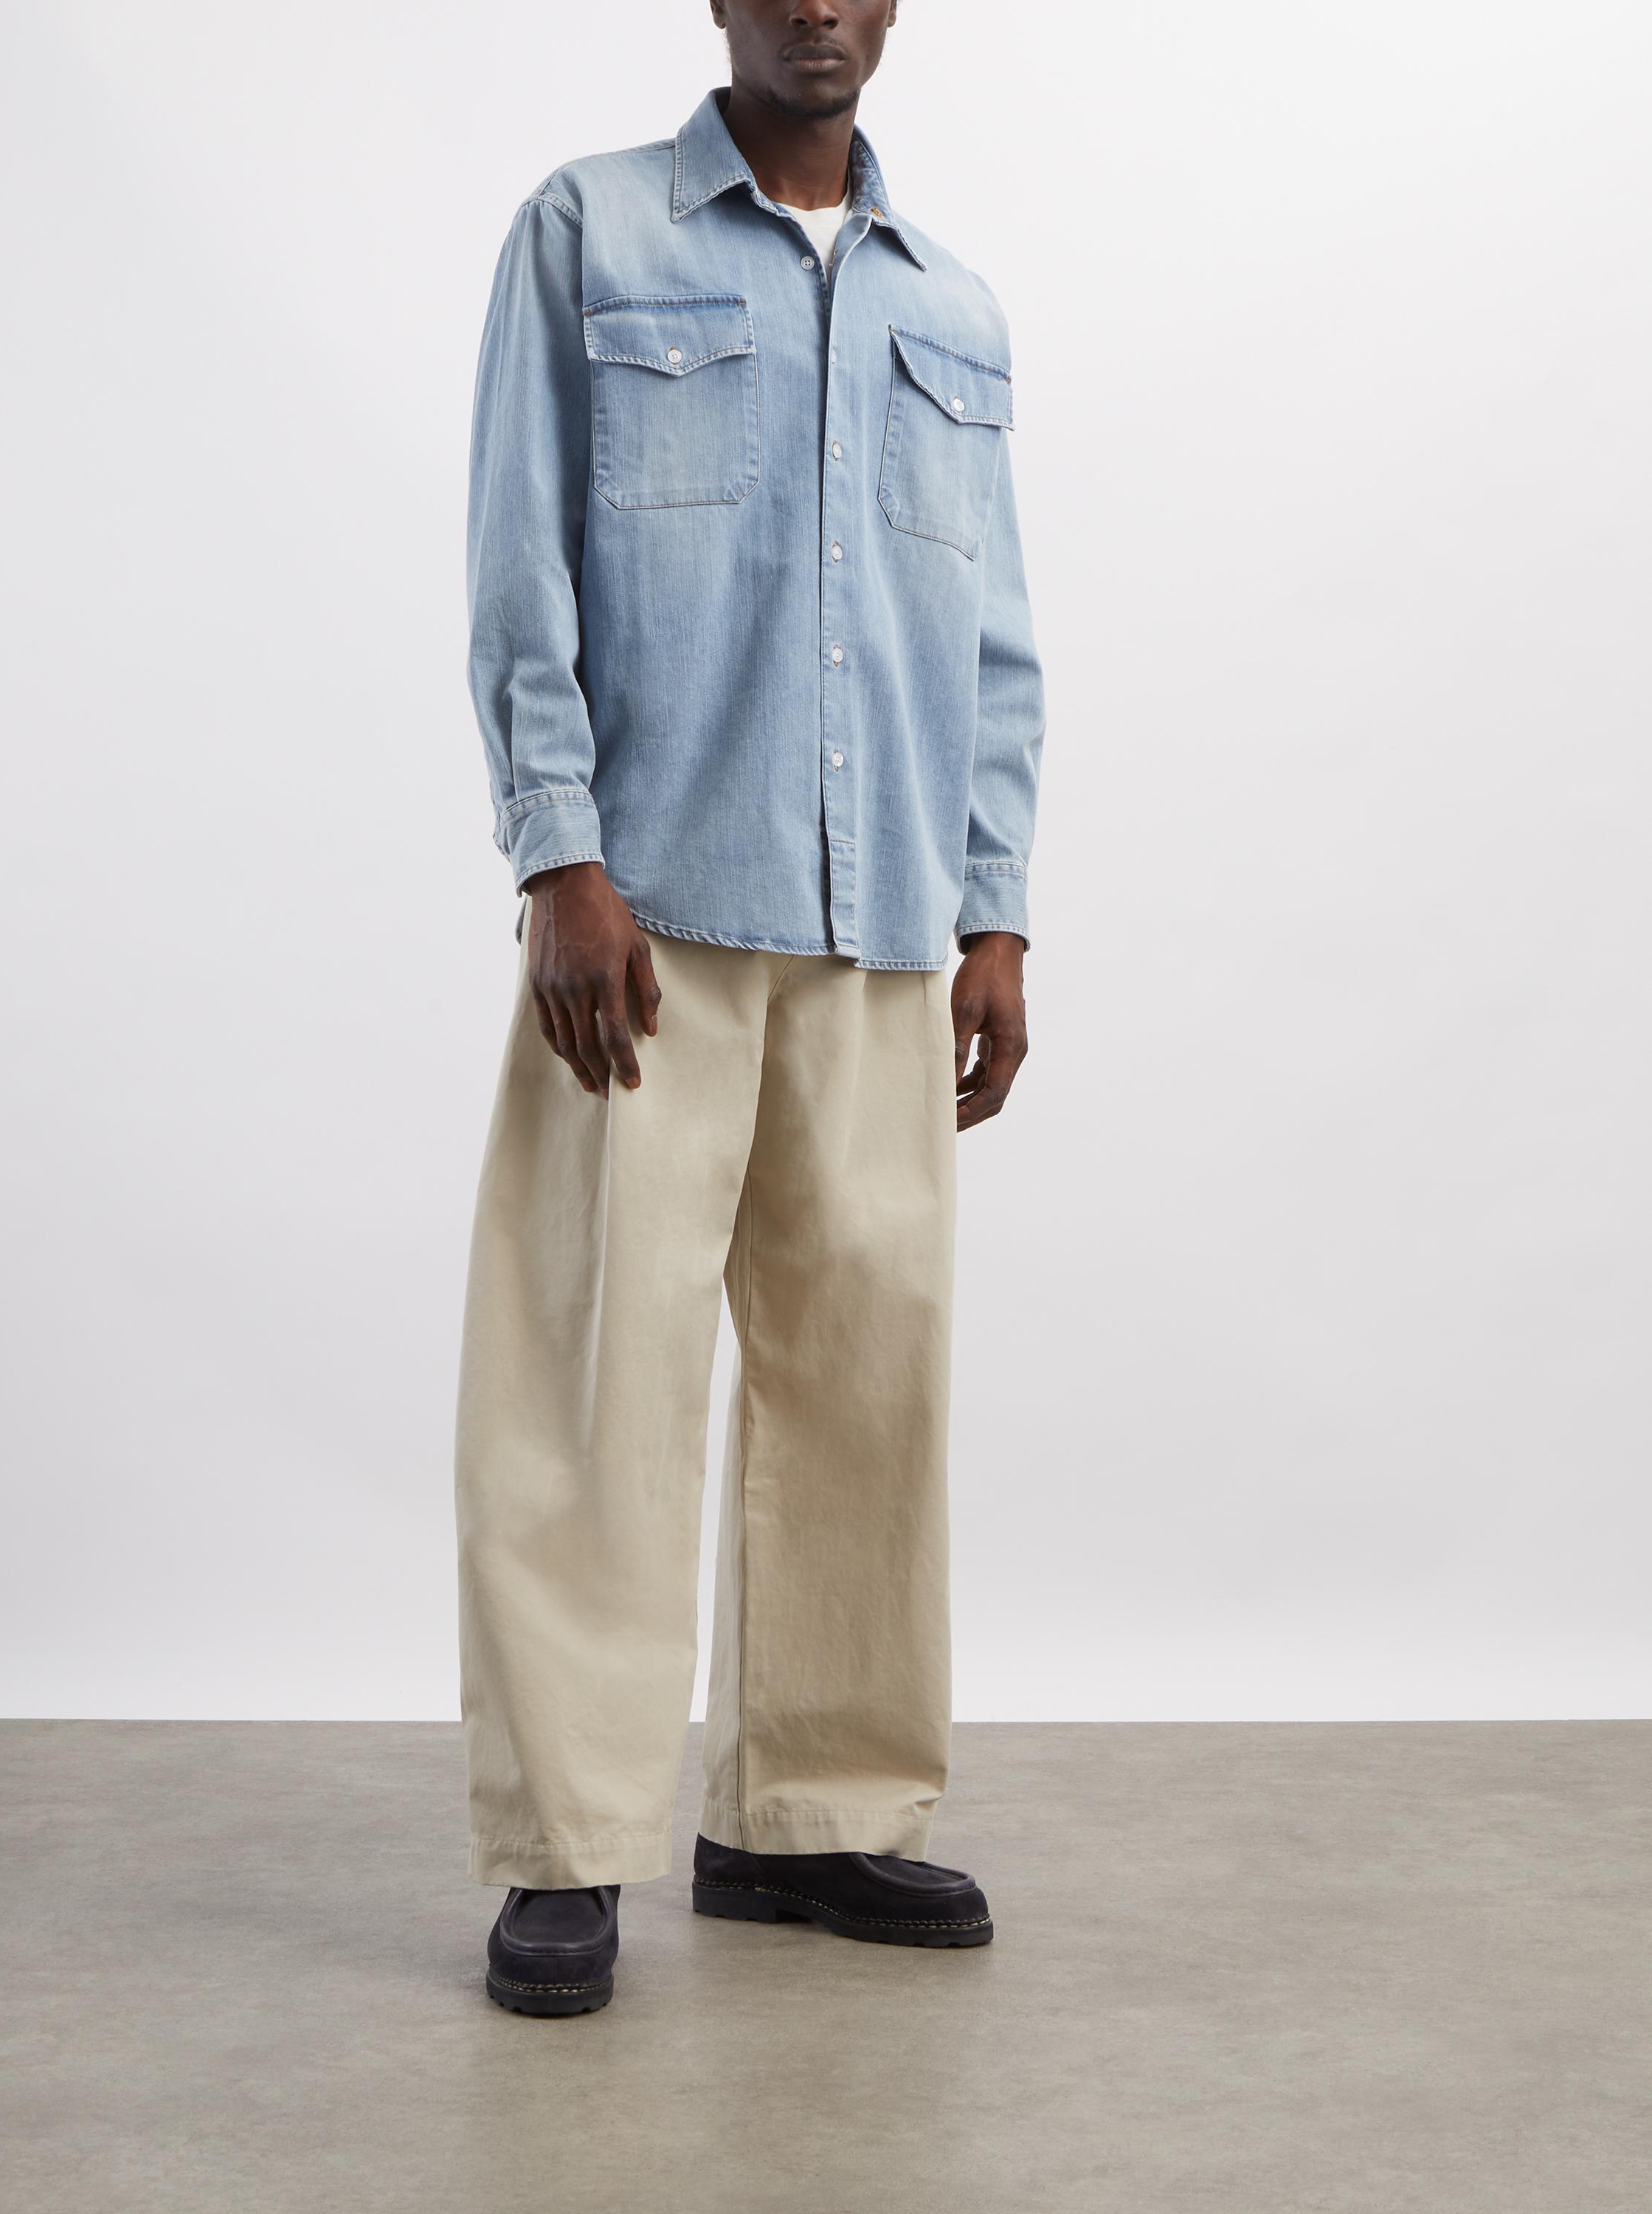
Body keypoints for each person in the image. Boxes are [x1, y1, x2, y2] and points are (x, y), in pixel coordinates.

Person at [458, 0, 1043, 2015]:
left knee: (867, 1379)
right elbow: (516, 560)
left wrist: (995, 909)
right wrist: (558, 856)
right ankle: (567, 1845)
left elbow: (992, 634)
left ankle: (810, 1816)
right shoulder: (590, 231)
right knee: (592, 1390)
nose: (819, 8)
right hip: (647, 925)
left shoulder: (951, 306)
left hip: (883, 926)